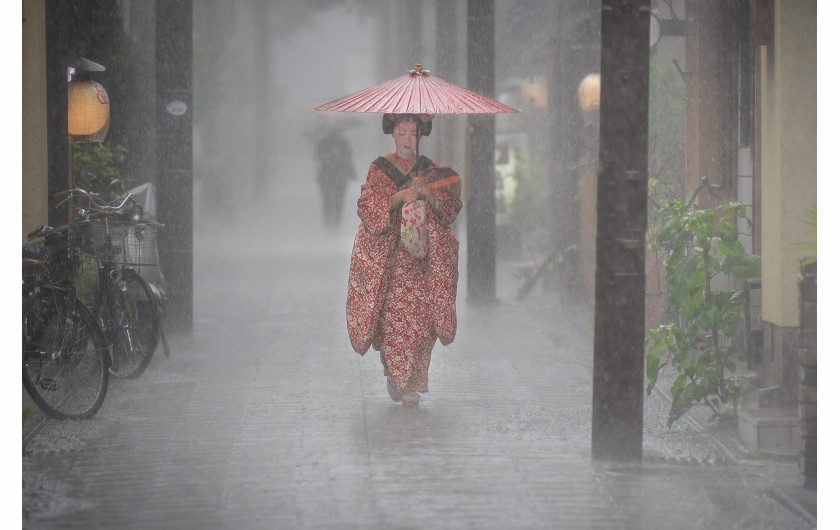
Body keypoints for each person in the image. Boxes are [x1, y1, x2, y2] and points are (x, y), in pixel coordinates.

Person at [346, 113, 462, 407]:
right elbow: (368, 206)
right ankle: (398, 378)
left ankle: (412, 382)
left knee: (422, 324)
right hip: (393, 260)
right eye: (403, 133)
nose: (408, 139)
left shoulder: (432, 170)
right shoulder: (379, 169)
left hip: (423, 260)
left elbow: (450, 208)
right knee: (395, 322)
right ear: (393, 135)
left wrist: (429, 196)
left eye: (413, 133)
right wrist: (399, 198)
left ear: (421, 135)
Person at [314, 127, 356, 228]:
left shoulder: (343, 142)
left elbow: (348, 156)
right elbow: (318, 157)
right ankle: (328, 221)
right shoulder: (323, 142)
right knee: (327, 199)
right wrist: (330, 154)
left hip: (340, 175)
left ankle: (336, 221)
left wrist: (339, 154)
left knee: (338, 199)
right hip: (327, 175)